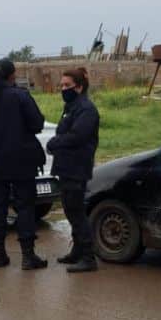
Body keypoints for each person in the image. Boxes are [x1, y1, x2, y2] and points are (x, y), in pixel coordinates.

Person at [0, 59, 48, 270]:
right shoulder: (21, 96)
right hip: (22, 164)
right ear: (12, 76)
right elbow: (37, 123)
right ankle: (28, 256)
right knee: (25, 208)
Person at [47, 68, 100, 273]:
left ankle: (88, 257)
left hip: (77, 167)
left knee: (76, 212)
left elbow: (76, 136)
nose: (63, 89)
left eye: (67, 86)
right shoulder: (71, 106)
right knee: (70, 210)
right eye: (61, 85)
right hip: (67, 166)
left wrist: (55, 142)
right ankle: (77, 252)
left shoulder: (86, 109)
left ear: (79, 86)